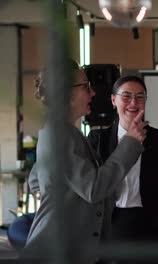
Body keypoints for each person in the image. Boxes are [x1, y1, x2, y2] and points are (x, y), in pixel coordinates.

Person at [24, 60, 147, 263]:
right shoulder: (59, 134)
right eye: (85, 86)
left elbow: (36, 181)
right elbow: (93, 189)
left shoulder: (64, 132)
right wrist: (130, 143)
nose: (93, 93)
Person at [87, 76, 158, 257]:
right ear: (113, 100)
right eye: (126, 96)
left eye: (140, 97)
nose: (133, 103)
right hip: (111, 223)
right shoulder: (97, 139)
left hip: (151, 225)